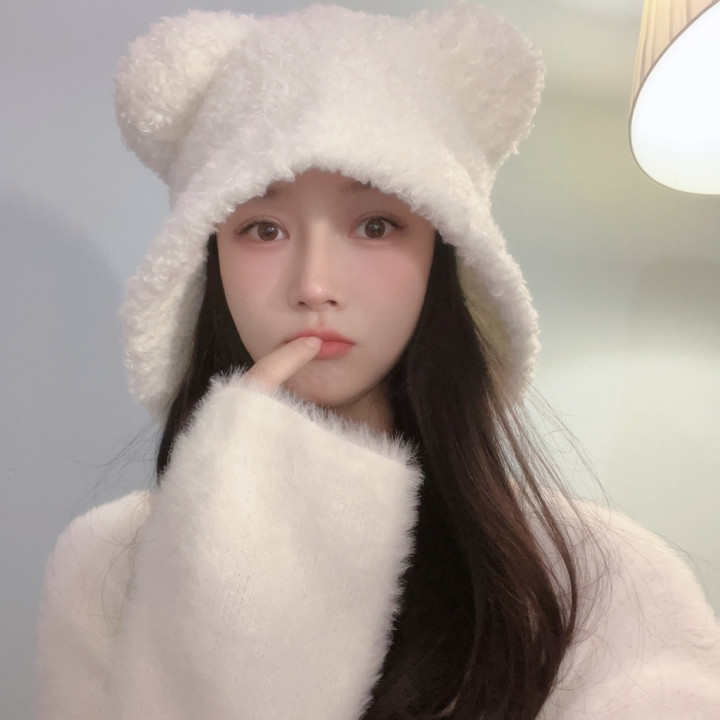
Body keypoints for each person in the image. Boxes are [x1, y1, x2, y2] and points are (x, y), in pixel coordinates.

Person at [33, 4, 720, 719]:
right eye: (262, 229)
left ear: (445, 254)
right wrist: (227, 557)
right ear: (208, 258)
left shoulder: (600, 583)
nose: (314, 285)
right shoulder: (110, 566)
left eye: (376, 224)